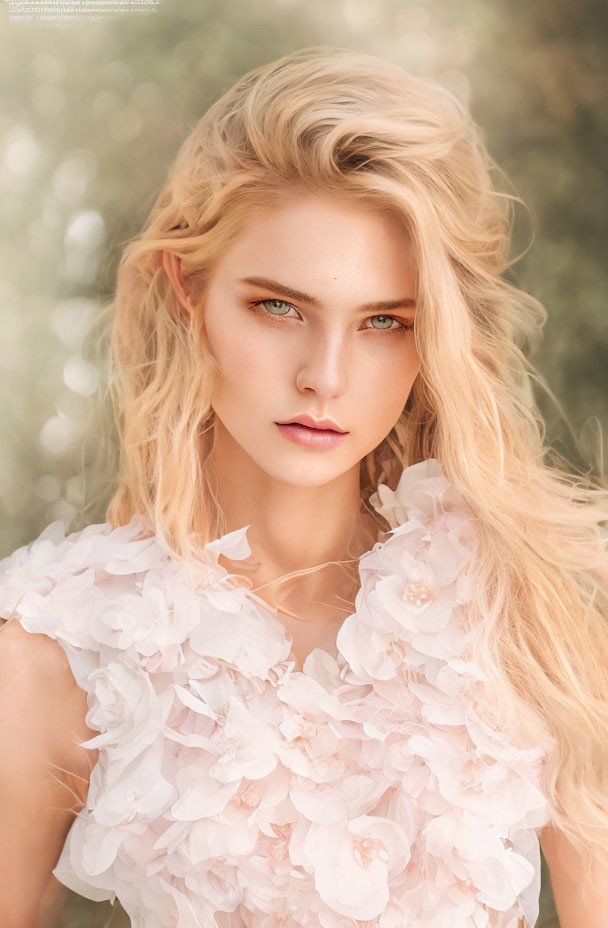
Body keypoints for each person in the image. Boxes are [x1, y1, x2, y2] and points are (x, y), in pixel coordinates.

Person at [0, 45, 607, 928]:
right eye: (278, 307)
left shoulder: (531, 616)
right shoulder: (51, 654)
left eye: (383, 322)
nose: (325, 375)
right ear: (188, 290)